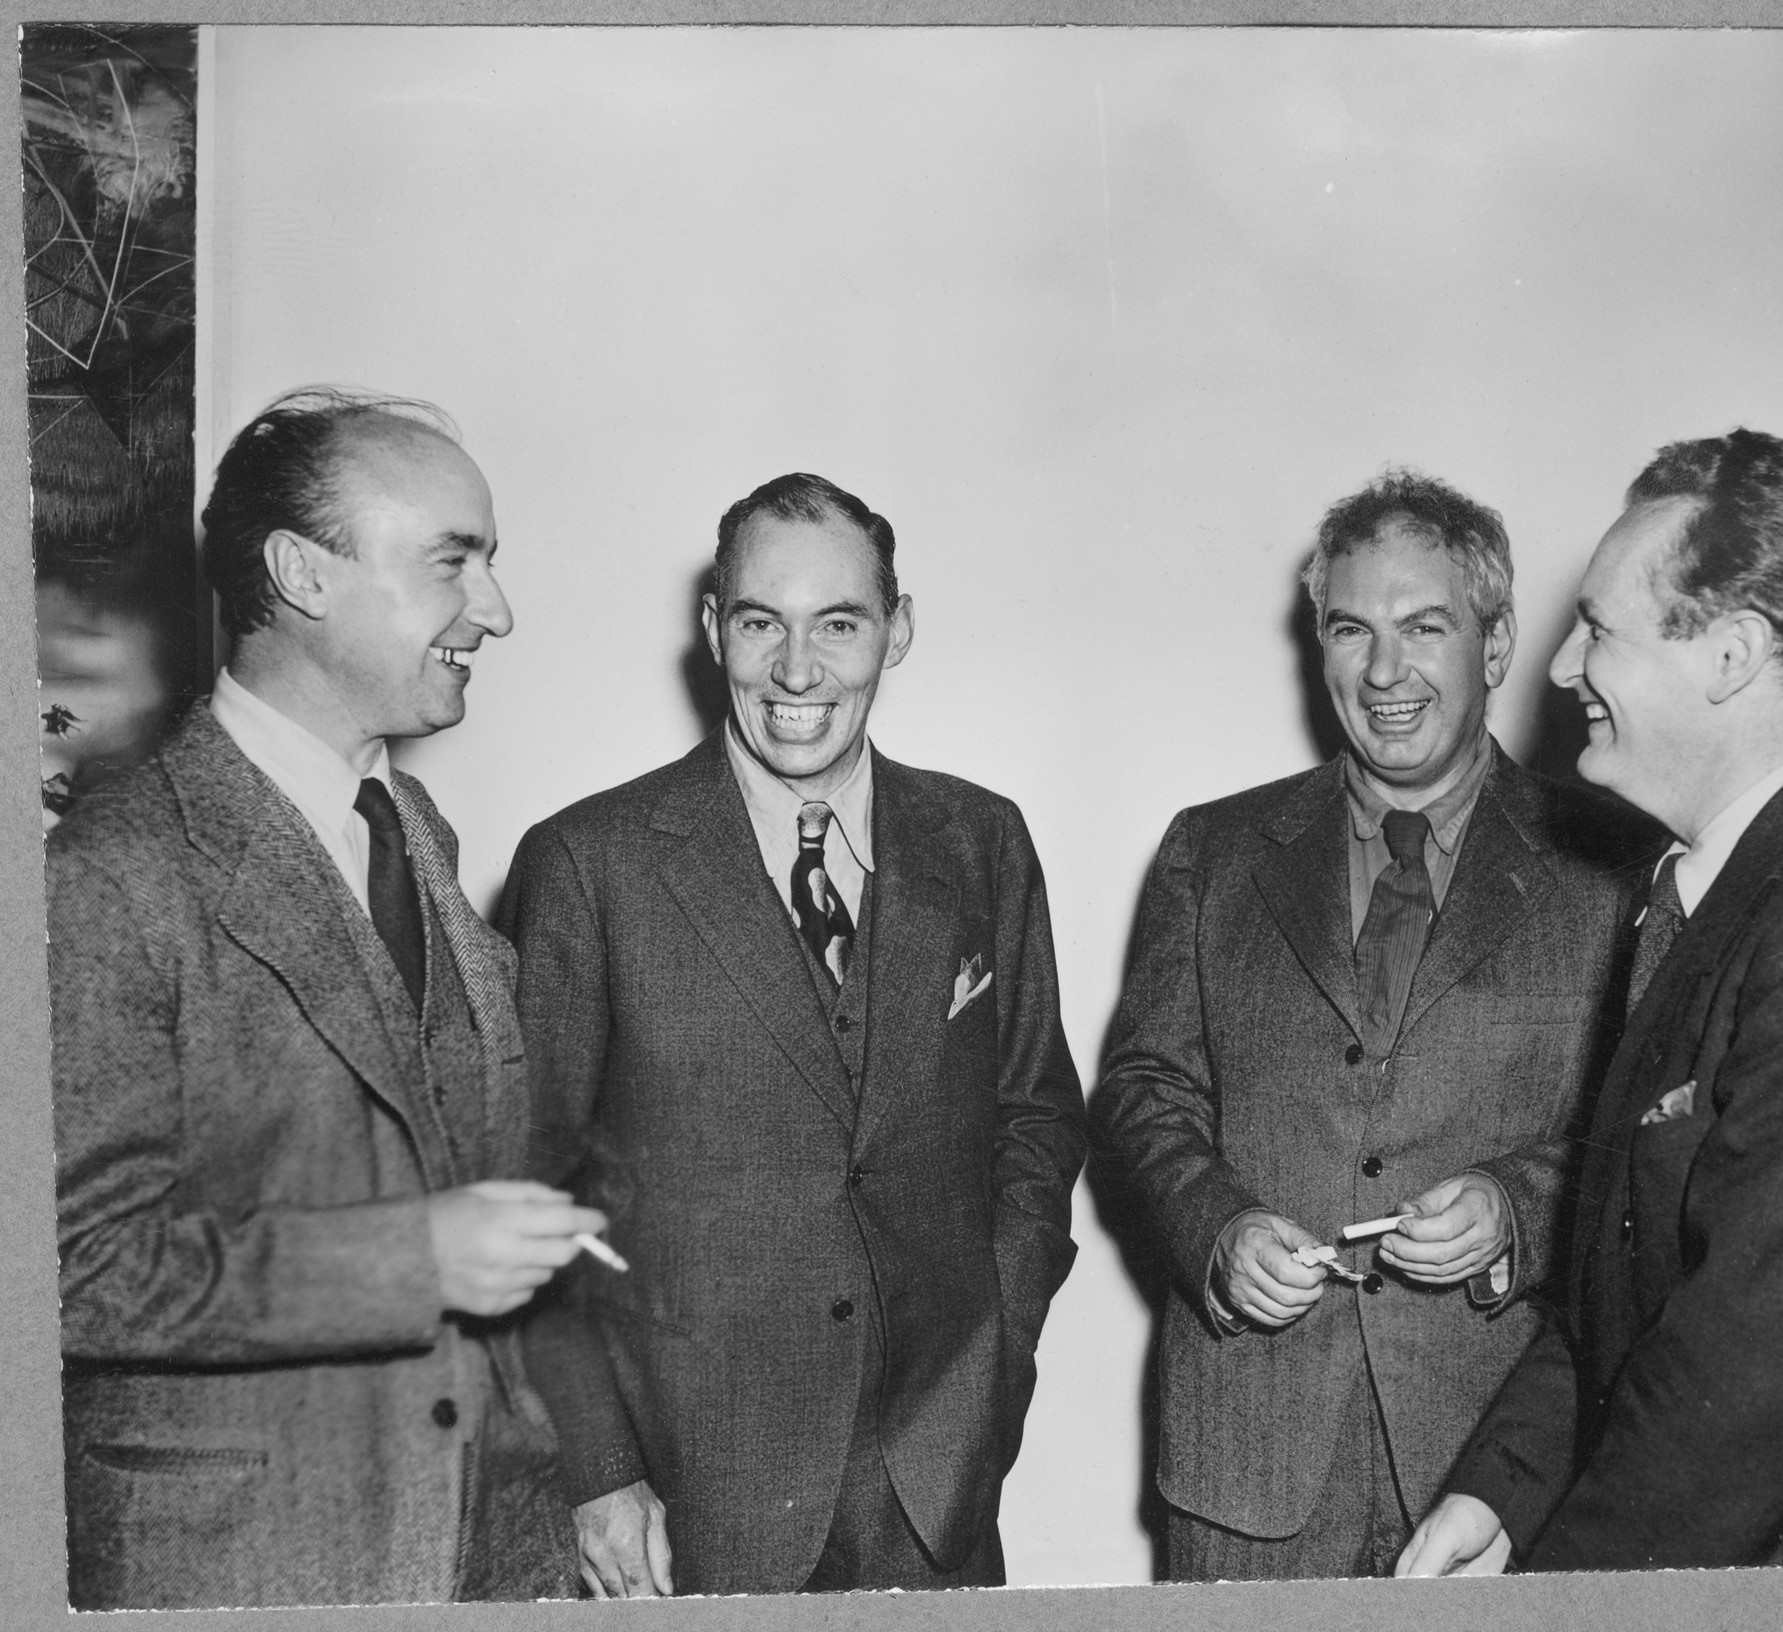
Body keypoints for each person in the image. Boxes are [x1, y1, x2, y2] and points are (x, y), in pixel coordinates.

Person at [48, 389, 600, 1610]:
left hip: (483, 1554)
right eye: (454, 562)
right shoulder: (110, 874)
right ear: (301, 571)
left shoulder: (416, 834)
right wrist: (412, 1258)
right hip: (249, 1568)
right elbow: (66, 1269)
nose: (496, 612)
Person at [1399, 429, 1783, 1575]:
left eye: (1598, 631)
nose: (1560, 669)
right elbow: (1620, 1280)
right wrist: (1498, 1493)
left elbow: (1731, 1399)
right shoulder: (1716, 888)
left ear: (1730, 655)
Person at [502, 471, 1088, 1597]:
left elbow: (1033, 1115)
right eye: (762, 622)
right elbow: (531, 1189)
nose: (797, 670)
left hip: (932, 1490)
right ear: (714, 627)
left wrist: (994, 1345)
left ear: (896, 630)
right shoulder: (588, 864)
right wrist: (594, 1472)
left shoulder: (980, 842)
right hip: (688, 1501)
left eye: (839, 623)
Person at [1091, 471, 1650, 1581]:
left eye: (1423, 628)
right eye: (1351, 630)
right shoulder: (1211, 851)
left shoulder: (1614, 861)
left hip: (1498, 1464)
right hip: (1247, 1471)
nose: (1384, 672)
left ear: (1493, 648)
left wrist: (1509, 1211)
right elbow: (1141, 1091)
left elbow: (1634, 1137)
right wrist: (1216, 1231)